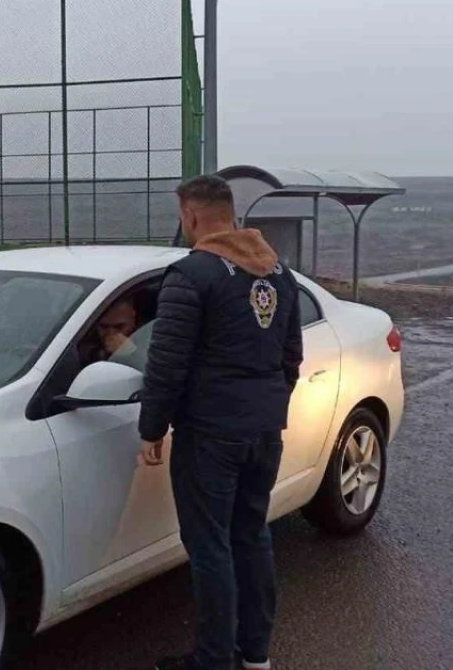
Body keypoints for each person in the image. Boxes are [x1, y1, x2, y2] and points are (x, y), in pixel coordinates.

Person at [138, 174, 303, 670]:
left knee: (210, 546)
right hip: (263, 431)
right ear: (230, 214)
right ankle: (255, 654)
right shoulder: (279, 273)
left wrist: (152, 428)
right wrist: (264, 406)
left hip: (210, 433)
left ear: (190, 215)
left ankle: (212, 660)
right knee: (250, 535)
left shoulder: (192, 275)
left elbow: (166, 363)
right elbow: (290, 358)